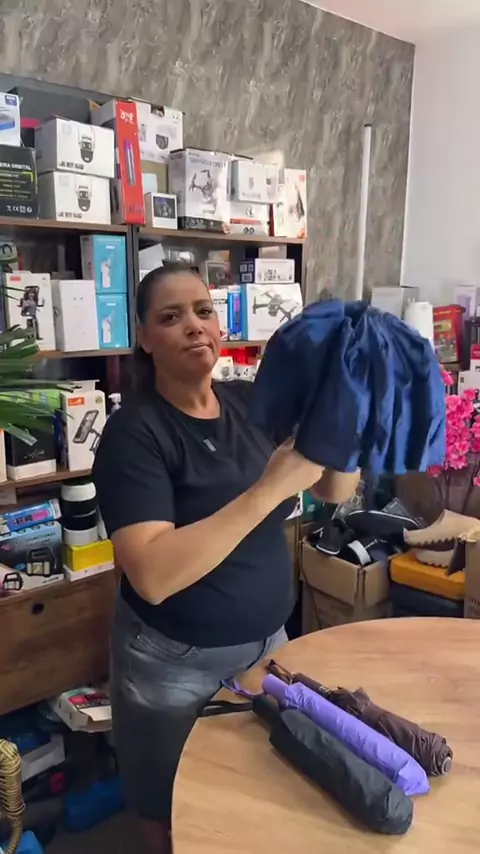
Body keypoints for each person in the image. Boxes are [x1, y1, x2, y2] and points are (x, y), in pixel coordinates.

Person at [92, 263, 325, 854]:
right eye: (171, 317)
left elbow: (335, 488)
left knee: (255, 788)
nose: (194, 326)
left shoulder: (250, 403)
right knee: (167, 804)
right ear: (144, 338)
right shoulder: (132, 434)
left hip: (269, 646)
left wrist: (338, 417)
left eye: (203, 311)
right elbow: (152, 574)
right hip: (173, 665)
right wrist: (269, 489)